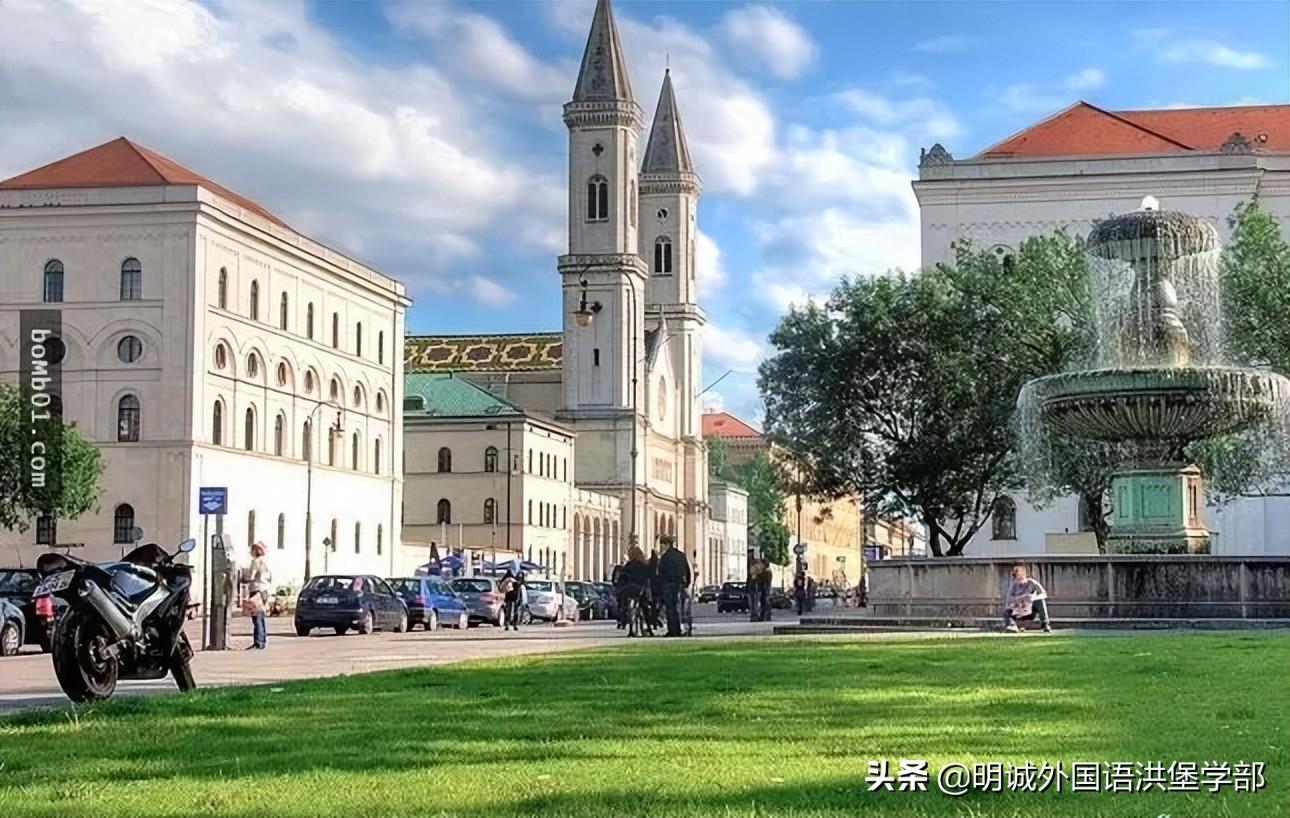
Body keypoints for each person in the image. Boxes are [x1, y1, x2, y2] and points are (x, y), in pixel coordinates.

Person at [657, 536, 691, 637]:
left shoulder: (665, 557)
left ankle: (673, 630)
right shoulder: (681, 555)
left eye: (662, 545)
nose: (661, 547)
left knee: (670, 609)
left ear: (667, 544)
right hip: (680, 585)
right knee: (679, 608)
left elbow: (660, 572)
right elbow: (687, 570)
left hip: (668, 585)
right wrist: (687, 583)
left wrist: (660, 586)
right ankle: (681, 629)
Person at [1002, 564, 1051, 633]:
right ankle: (1011, 625)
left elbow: (1044, 594)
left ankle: (1045, 623)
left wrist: (1033, 598)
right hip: (1019, 611)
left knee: (1040, 601)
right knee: (1006, 611)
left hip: (1030, 610)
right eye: (1017, 578)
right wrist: (1020, 598)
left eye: (1020, 577)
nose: (1019, 580)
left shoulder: (1032, 583)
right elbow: (1008, 599)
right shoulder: (1013, 586)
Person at [244, 541, 271, 649]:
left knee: (256, 617)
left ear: (255, 551)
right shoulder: (266, 562)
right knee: (261, 616)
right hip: (264, 590)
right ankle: (263, 640)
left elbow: (251, 576)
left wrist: (245, 576)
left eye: (252, 550)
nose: (251, 552)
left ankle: (258, 642)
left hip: (256, 590)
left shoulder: (255, 561)